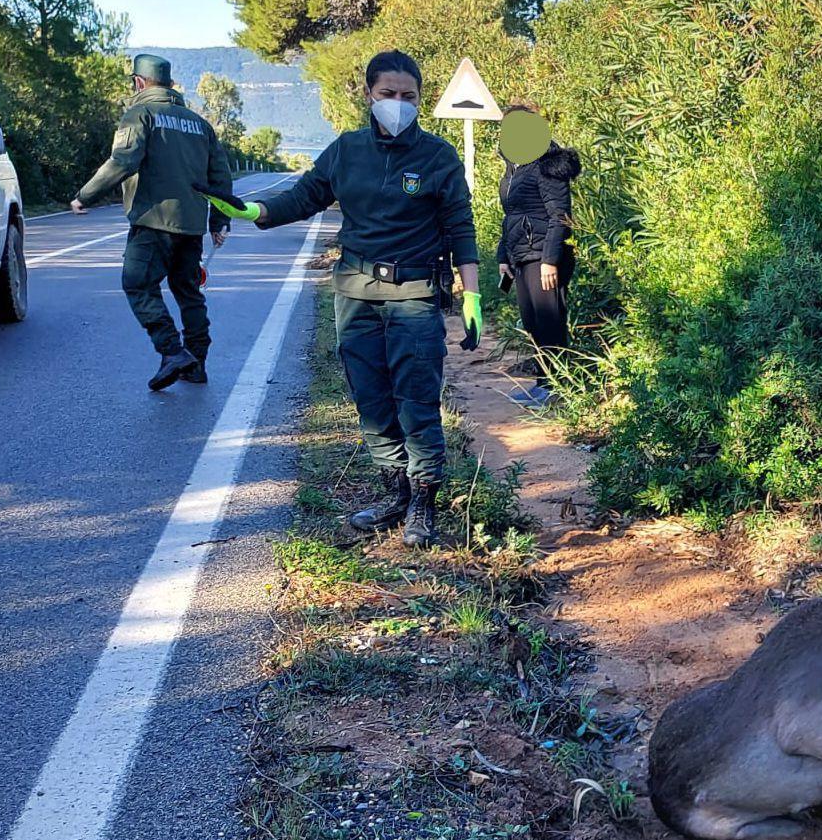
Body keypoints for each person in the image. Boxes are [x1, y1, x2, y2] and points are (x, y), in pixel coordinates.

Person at [205, 50, 482, 549]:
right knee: (371, 399)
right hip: (354, 291)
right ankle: (395, 493)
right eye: (388, 95)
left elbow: (461, 226)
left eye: (408, 96)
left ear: (420, 98)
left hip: (415, 293)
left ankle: (424, 503)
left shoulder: (438, 157)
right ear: (368, 95)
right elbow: (305, 194)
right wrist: (252, 210)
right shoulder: (346, 151)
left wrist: (472, 295)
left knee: (416, 398)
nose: (398, 104)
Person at [72, 53, 231, 390]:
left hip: (152, 221)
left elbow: (123, 162)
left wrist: (85, 195)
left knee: (138, 284)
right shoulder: (199, 124)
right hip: (190, 225)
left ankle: (172, 351)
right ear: (170, 85)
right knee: (188, 292)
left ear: (139, 83)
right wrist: (219, 221)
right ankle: (197, 364)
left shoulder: (140, 114)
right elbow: (221, 177)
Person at [495, 102, 581, 406]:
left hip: (543, 257)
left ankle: (558, 388)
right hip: (521, 256)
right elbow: (511, 217)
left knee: (550, 321)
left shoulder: (547, 164)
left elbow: (561, 216)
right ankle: (543, 383)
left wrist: (550, 260)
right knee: (532, 322)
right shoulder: (515, 168)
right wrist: (503, 256)